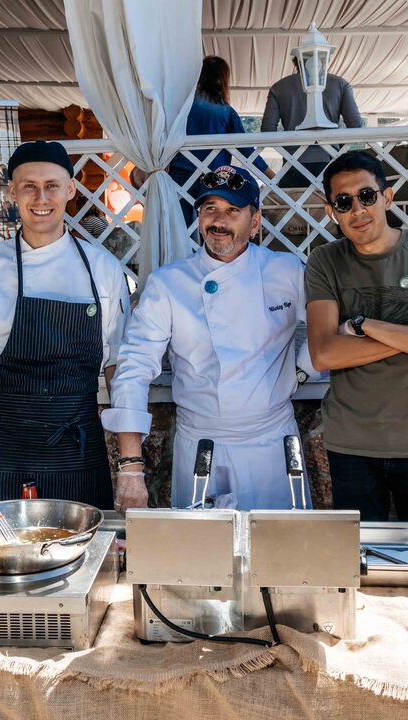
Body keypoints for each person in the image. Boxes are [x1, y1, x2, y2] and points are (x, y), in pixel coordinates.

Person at [103, 166, 319, 511]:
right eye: (210, 209)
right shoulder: (168, 283)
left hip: (271, 443)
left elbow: (327, 329)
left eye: (233, 210)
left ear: (256, 220)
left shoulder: (286, 270)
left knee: (282, 554)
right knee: (202, 559)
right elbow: (133, 367)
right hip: (202, 446)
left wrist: (301, 371)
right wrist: (130, 468)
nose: (219, 220)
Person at [0, 141, 131, 507]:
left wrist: (130, 464)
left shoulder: (103, 269)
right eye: (29, 186)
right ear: (13, 191)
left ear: (71, 189)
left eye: (52, 185)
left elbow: (119, 369)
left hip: (77, 453)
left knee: (84, 560)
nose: (41, 197)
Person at [304, 151, 408, 522]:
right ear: (332, 212)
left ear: (387, 197)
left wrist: (364, 325)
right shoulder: (324, 261)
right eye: (343, 203)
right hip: (351, 443)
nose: (357, 211)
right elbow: (324, 355)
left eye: (367, 196)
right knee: (357, 563)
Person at [165, 56, 275, 231]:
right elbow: (246, 149)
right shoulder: (226, 112)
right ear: (223, 80)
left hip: (179, 174)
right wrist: (271, 175)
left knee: (182, 230)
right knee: (214, 225)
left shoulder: (181, 106)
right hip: (213, 178)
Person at [261, 57, 362, 188]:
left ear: (295, 61)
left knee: (294, 206)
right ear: (323, 60)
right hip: (330, 159)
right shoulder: (340, 84)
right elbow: (356, 126)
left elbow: (267, 130)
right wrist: (338, 145)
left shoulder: (279, 87)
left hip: (292, 161)